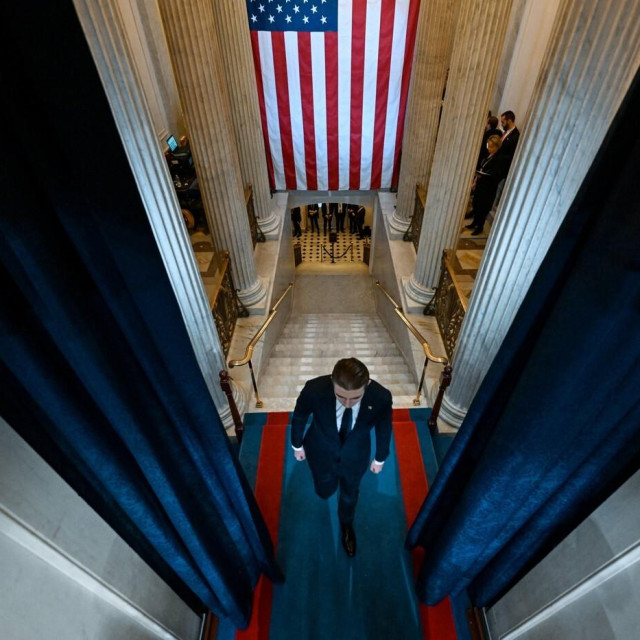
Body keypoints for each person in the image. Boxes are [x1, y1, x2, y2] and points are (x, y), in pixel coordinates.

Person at [291, 358, 392, 557]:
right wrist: (297, 444)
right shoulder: (314, 389)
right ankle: (325, 490)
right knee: (323, 484)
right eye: (341, 397)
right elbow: (300, 415)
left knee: (350, 494)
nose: (347, 404)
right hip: (319, 451)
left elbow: (384, 428)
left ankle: (346, 524)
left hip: (356, 458)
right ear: (332, 382)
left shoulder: (381, 397)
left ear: (367, 386)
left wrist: (380, 458)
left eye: (354, 398)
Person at [465, 134, 504, 236]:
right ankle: (474, 223)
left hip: (488, 188)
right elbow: (482, 167)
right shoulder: (488, 156)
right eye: (488, 146)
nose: (489, 148)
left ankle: (479, 226)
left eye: (491, 147)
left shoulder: (499, 159)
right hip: (480, 185)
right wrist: (475, 180)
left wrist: (483, 175)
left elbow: (495, 174)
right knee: (476, 204)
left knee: (483, 208)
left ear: (497, 146)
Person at [498, 110, 520, 177]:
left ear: (509, 121)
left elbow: (511, 155)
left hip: (502, 169)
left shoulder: (515, 135)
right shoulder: (506, 132)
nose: (502, 124)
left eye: (503, 122)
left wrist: (499, 156)